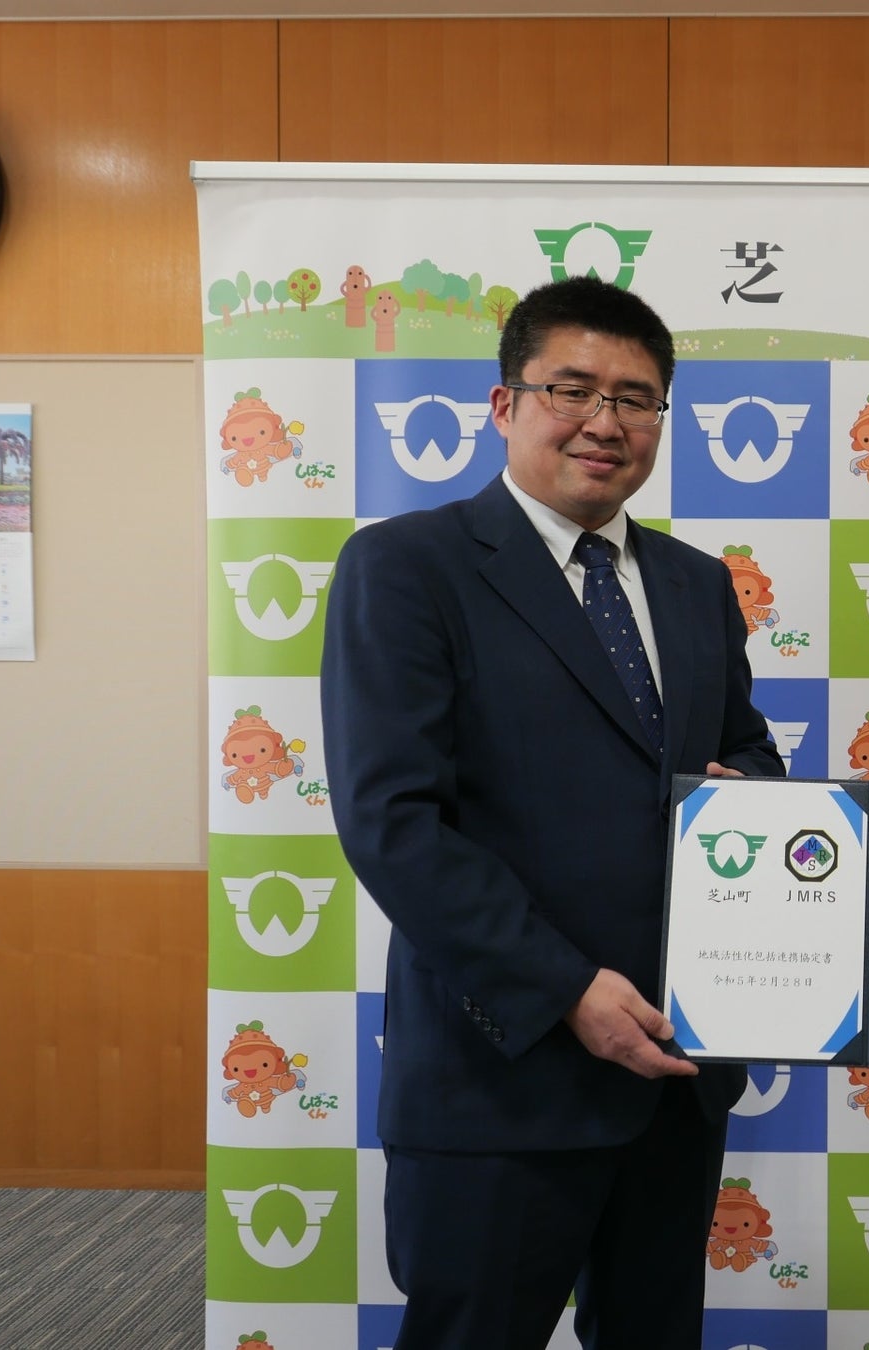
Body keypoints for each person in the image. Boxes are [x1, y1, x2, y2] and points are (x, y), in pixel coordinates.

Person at [321, 276, 783, 1350]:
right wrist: (566, 989)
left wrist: (751, 799)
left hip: (675, 1069)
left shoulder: (696, 583)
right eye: (571, 389)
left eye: (636, 398)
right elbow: (393, 820)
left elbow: (747, 747)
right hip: (500, 1073)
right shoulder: (408, 566)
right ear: (504, 404)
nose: (604, 422)